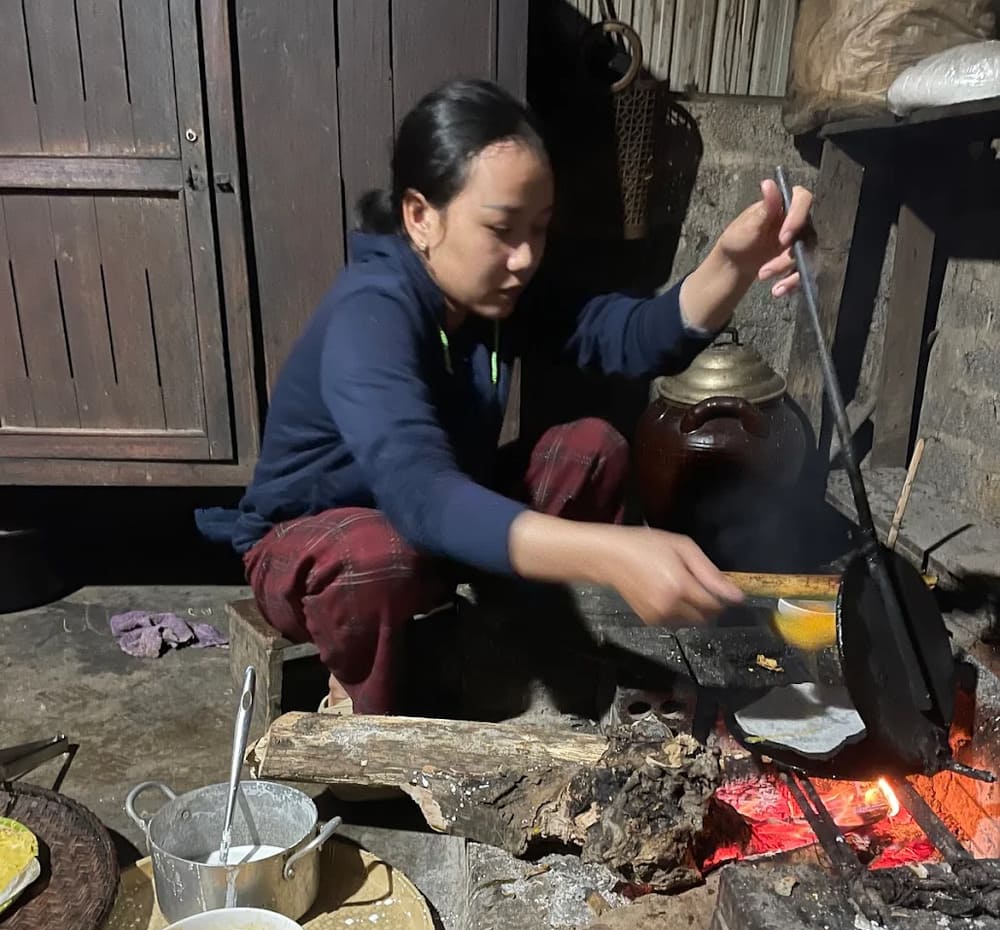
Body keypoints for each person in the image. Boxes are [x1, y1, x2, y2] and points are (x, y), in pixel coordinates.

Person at [196, 80, 812, 716]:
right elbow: (422, 497)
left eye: (539, 229)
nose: (524, 257)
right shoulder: (369, 312)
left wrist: (734, 264)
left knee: (592, 450)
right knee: (379, 552)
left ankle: (521, 650)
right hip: (316, 554)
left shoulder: (494, 294)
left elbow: (628, 338)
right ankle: (361, 714)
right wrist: (614, 554)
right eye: (500, 229)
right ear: (419, 216)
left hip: (431, 531)